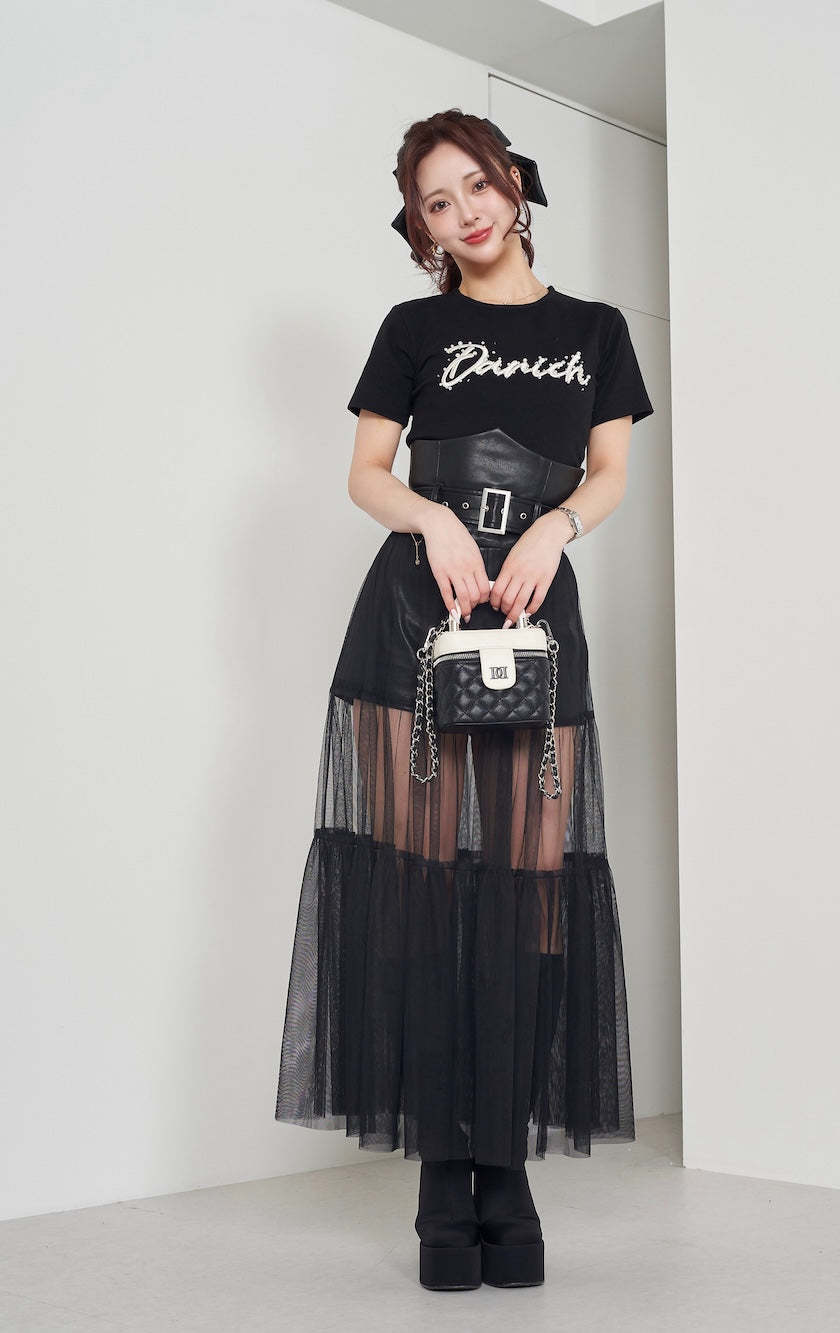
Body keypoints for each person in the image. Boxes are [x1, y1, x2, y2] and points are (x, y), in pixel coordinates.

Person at [274, 108, 654, 1292]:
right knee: (424, 893)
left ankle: (508, 1165)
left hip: (534, 625)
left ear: (513, 183)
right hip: (413, 624)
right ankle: (444, 1173)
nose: (464, 213)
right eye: (436, 203)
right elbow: (365, 472)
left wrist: (554, 525)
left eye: (475, 186)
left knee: (531, 895)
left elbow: (610, 472)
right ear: (422, 227)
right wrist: (432, 517)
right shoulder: (412, 328)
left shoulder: (594, 330)